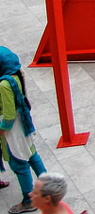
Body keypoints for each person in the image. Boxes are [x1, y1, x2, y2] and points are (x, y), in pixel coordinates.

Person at [0, 47, 46, 214]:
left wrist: (1, 131)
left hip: (12, 131)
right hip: (23, 124)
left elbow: (9, 115)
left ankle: (29, 200)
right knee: (32, 155)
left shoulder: (4, 84)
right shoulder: (17, 75)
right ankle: (48, 187)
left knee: (19, 163)